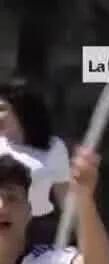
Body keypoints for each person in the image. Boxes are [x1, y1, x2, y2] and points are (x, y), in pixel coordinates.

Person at [0, 81, 68, 246]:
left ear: (21, 111)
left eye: (2, 109)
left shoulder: (53, 147)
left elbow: (66, 198)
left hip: (37, 229)